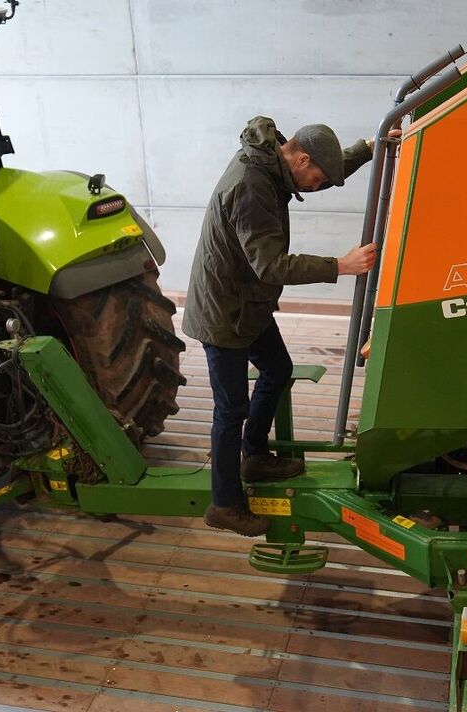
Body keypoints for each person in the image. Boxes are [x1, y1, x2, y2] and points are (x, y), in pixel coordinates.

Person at [182, 116, 379, 537]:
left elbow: (327, 162)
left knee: (277, 370)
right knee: (229, 409)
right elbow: (269, 265)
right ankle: (225, 504)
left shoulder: (274, 161)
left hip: (247, 304)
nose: (317, 186)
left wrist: (369, 145)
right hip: (224, 314)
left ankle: (254, 455)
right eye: (319, 179)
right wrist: (340, 266)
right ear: (301, 158)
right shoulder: (252, 186)